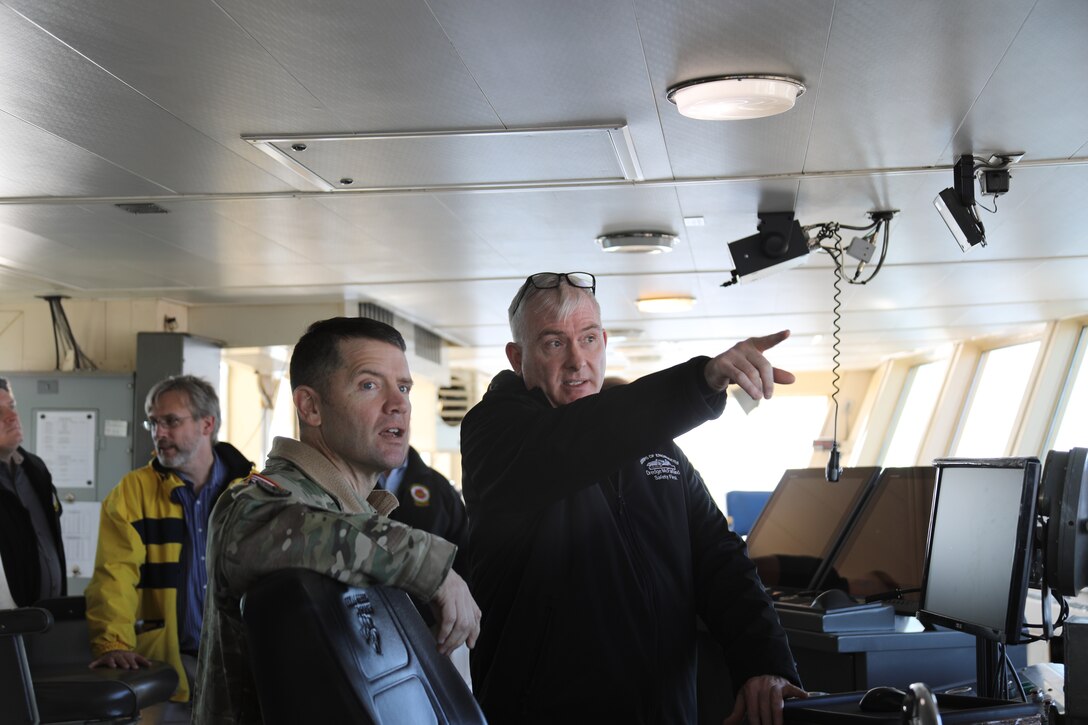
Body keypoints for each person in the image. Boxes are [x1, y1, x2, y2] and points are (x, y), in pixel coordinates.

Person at [460, 271, 806, 724]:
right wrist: (700, 381)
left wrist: (764, 665)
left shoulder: (655, 445)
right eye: (553, 344)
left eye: (587, 339)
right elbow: (579, 439)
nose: (577, 361)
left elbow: (719, 559)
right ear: (516, 357)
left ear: (604, 341)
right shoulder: (495, 434)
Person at [193, 317, 480, 725]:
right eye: (369, 384)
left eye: (403, 387)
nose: (397, 403)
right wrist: (432, 567)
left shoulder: (355, 511)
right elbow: (295, 531)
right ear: (311, 406)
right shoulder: (254, 502)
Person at [86, 375, 254, 714]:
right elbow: (114, 576)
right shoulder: (132, 493)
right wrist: (113, 643)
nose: (158, 433)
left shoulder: (253, 492)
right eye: (153, 422)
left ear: (207, 424)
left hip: (244, 666)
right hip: (166, 669)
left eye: (171, 422)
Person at [0, 377, 67, 607]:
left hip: (47, 618)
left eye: (11, 406)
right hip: (7, 627)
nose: (12, 416)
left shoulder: (35, 469)